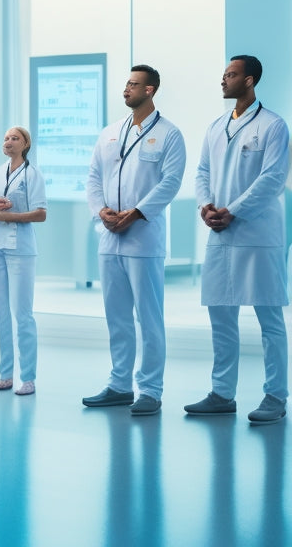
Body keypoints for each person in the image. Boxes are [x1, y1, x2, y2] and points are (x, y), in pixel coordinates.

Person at [185, 55, 289, 424]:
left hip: (258, 234)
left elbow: (273, 178)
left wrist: (234, 211)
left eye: (230, 75)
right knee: (221, 317)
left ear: (249, 80)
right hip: (220, 232)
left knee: (269, 318)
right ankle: (222, 394)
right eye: (224, 74)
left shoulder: (274, 126)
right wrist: (206, 207)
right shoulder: (216, 126)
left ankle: (276, 396)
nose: (223, 80)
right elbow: (201, 172)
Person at [83, 65, 186, 416]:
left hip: (143, 240)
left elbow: (171, 182)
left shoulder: (170, 134)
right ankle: (119, 384)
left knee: (149, 317)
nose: (126, 89)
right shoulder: (110, 133)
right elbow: (94, 177)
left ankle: (151, 390)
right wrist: (102, 212)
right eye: (126, 83)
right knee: (117, 317)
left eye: (134, 84)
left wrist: (137, 213)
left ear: (150, 90)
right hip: (109, 238)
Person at [0, 127, 47, 396]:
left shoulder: (32, 175)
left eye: (14, 138)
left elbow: (40, 214)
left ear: (25, 144)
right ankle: (5, 374)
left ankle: (27, 377)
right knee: (1, 311)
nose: (8, 141)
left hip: (22, 249)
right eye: (5, 137)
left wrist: (8, 214)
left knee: (23, 314)